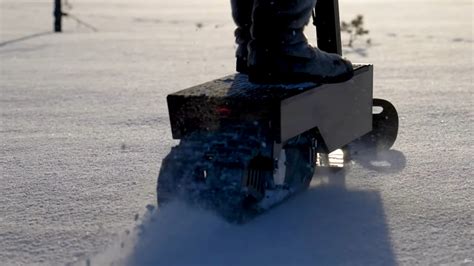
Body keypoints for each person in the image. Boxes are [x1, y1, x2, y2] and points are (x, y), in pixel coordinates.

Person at [231, 0, 353, 84]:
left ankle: (253, 47)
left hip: (255, 50)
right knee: (276, 41)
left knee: (258, 38)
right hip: (281, 53)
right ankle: (285, 52)